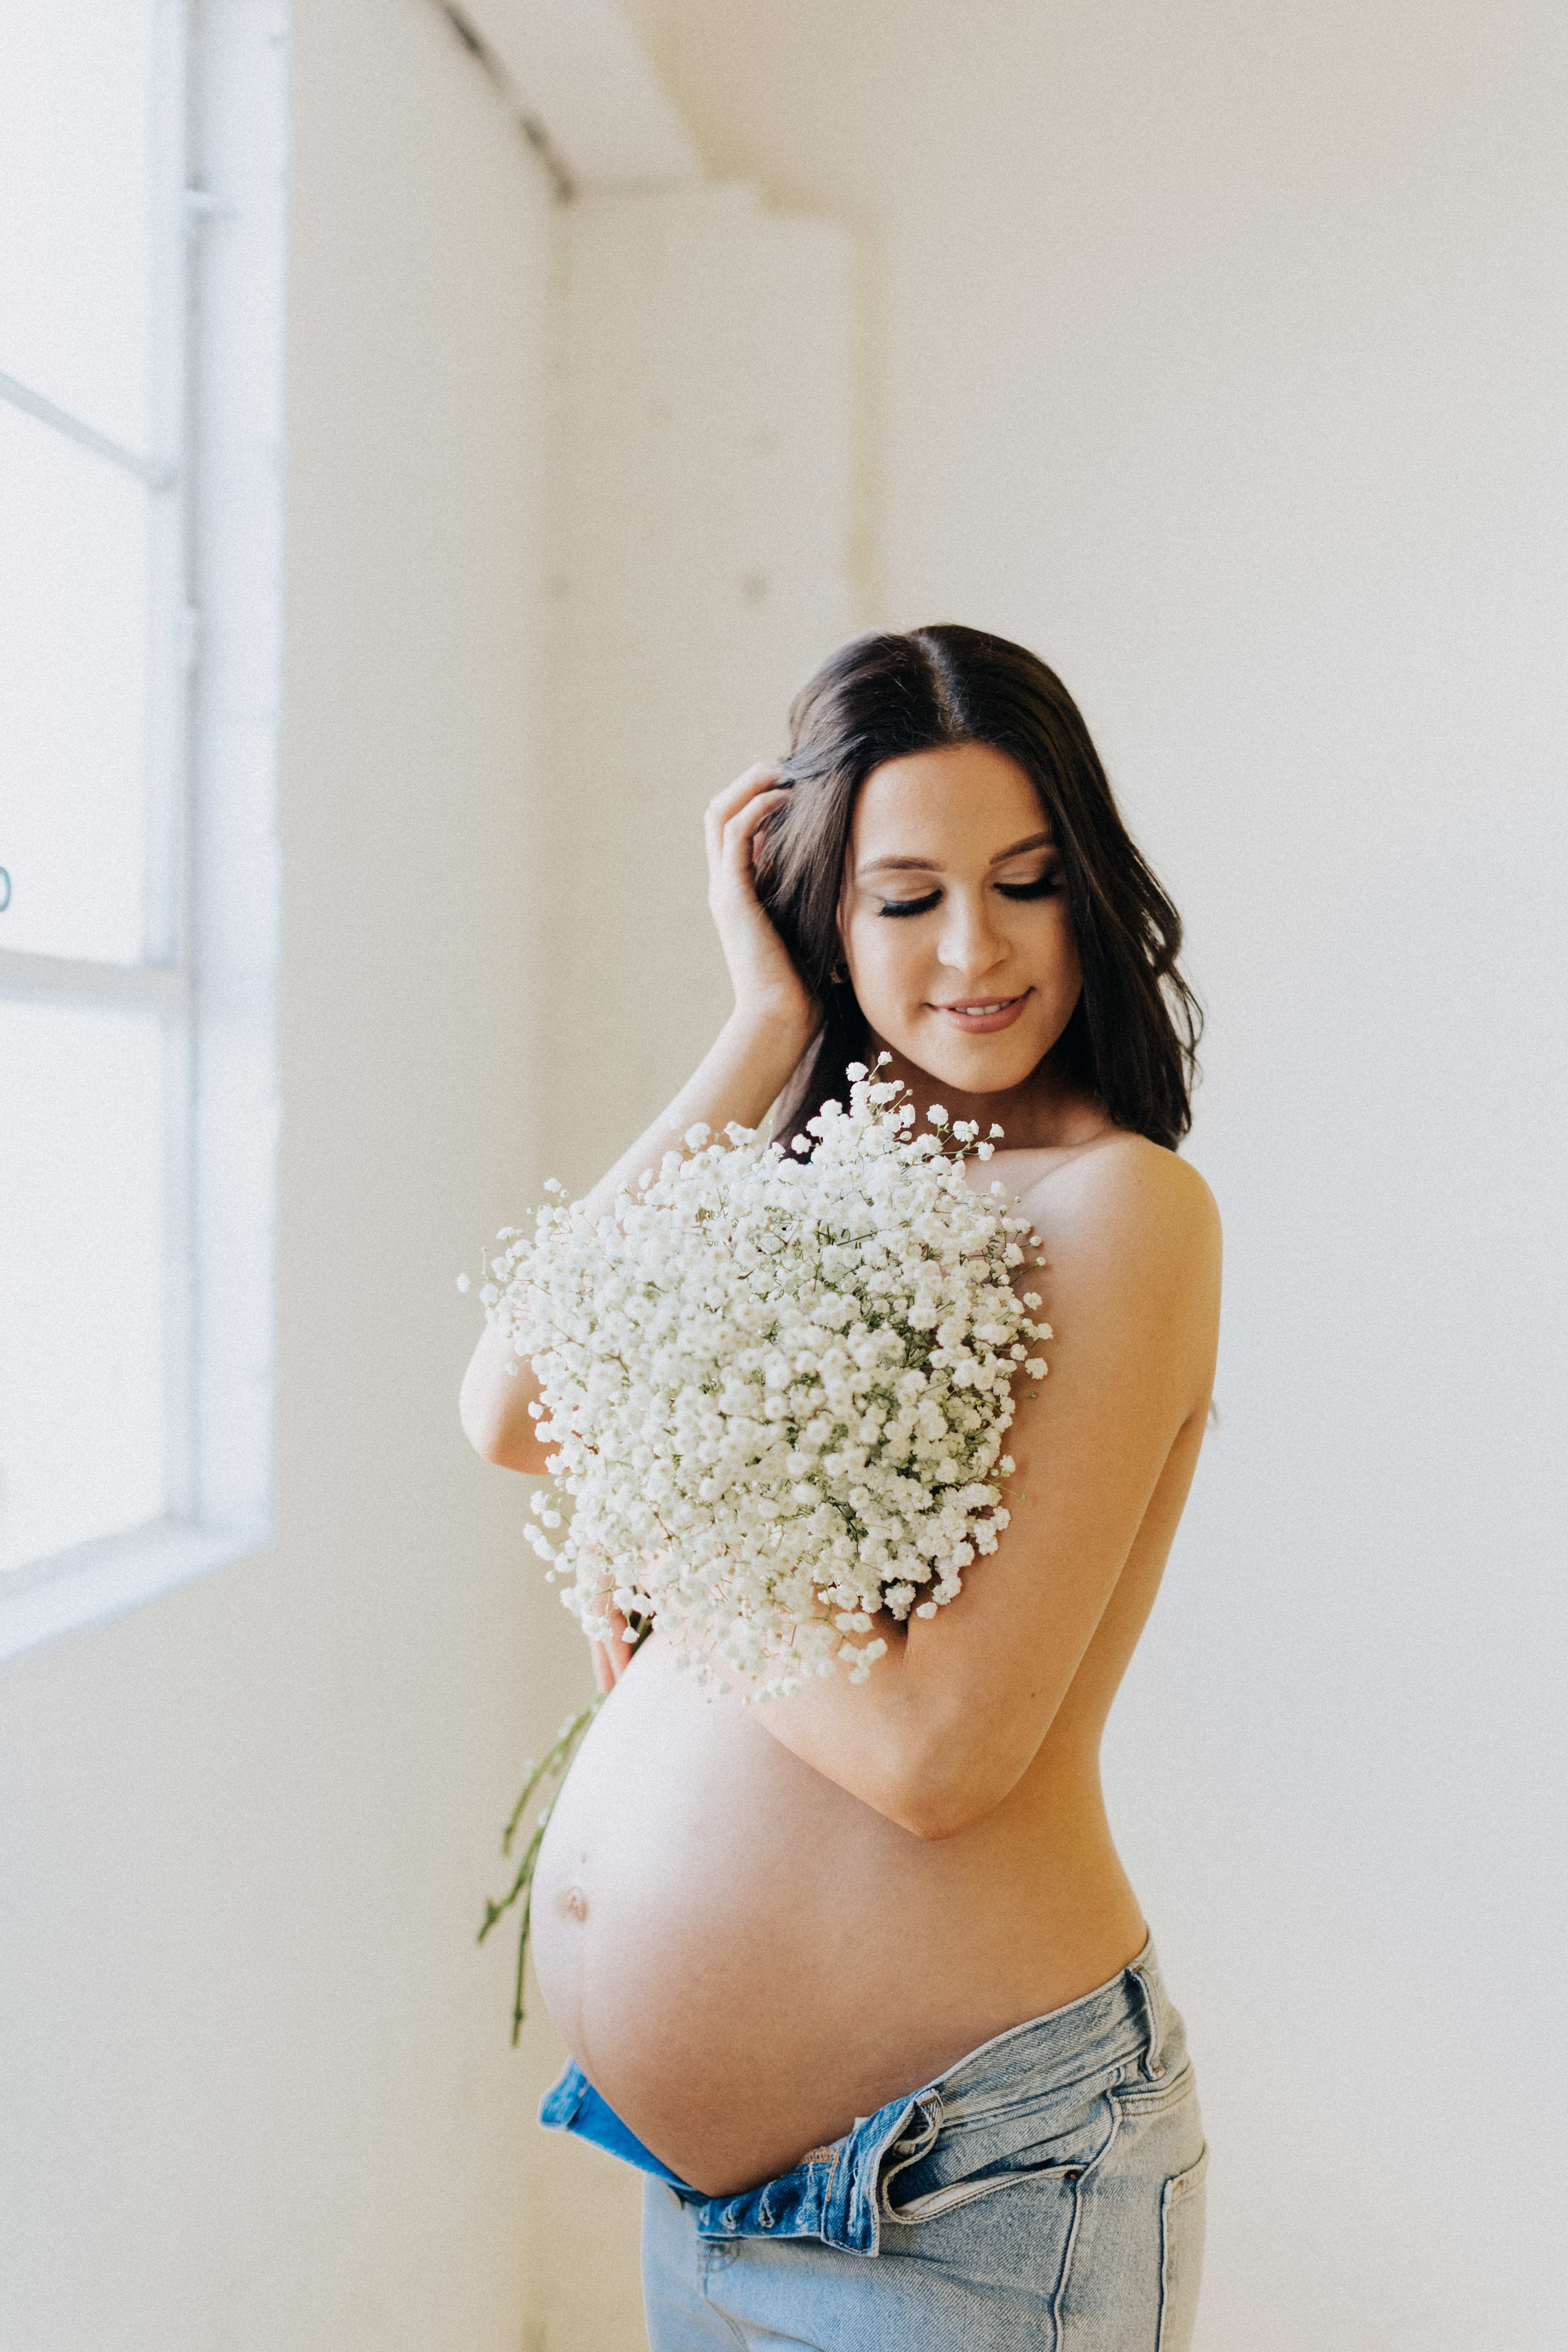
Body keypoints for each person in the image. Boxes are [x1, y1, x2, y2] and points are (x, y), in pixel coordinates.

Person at [461, 625, 1221, 2350]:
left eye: (1025, 883)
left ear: (1088, 890)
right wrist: (759, 1024)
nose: (974, 949)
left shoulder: (1123, 1211)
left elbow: (933, 1755)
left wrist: (667, 1527)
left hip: (961, 2191)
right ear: (826, 911)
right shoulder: (820, 1194)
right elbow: (512, 1400)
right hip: (707, 2193)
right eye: (903, 897)